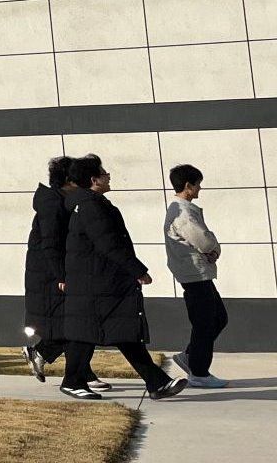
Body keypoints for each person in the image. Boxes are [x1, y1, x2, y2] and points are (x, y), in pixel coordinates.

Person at [58, 157, 185, 400]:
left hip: (100, 281)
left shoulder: (90, 203)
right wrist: (137, 270)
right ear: (94, 180)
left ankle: (157, 382)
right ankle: (73, 381)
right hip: (96, 283)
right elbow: (108, 243)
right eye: (104, 173)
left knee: (118, 331)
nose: (109, 176)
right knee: (93, 334)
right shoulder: (90, 206)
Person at [22, 157, 84, 383]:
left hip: (54, 273)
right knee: (72, 326)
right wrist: (61, 275)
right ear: (68, 179)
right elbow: (51, 244)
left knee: (74, 324)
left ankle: (82, 373)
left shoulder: (61, 201)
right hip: (50, 276)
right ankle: (40, 353)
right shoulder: (52, 204)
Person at [165, 164, 228, 388]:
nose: (200, 188)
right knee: (205, 323)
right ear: (188, 186)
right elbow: (204, 241)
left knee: (218, 318)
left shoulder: (182, 209)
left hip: (197, 274)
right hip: (194, 274)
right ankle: (199, 372)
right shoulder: (183, 213)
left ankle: (190, 356)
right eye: (198, 184)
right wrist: (214, 248)